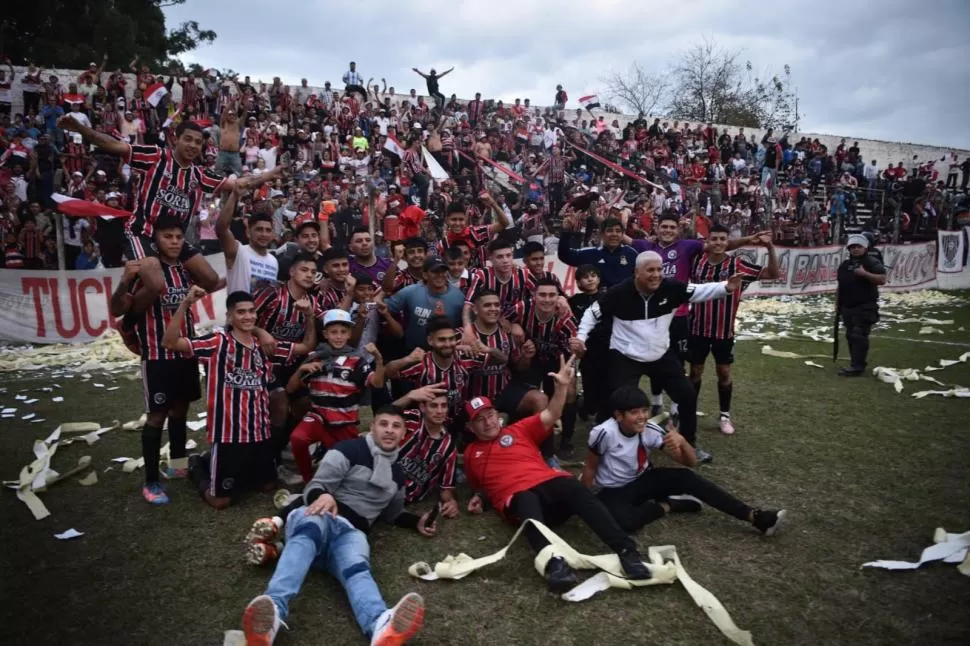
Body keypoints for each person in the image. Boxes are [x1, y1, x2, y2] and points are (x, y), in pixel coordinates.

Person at [240, 407, 435, 646]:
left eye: (396, 426)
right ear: (372, 427)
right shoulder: (348, 450)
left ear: (404, 433)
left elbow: (392, 514)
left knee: (357, 568)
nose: (389, 430)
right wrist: (324, 495)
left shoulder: (397, 474)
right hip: (324, 515)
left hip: (353, 532)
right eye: (383, 424)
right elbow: (315, 486)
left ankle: (380, 627)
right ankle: (271, 616)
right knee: (308, 533)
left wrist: (416, 521)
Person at [463, 357, 652, 593]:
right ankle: (555, 565)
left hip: (548, 486)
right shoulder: (471, 454)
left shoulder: (518, 429)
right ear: (471, 428)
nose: (487, 422)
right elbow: (479, 484)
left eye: (490, 414)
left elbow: (551, 414)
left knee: (572, 486)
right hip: (521, 503)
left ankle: (627, 552)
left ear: (498, 415)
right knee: (525, 498)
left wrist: (562, 386)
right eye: (479, 420)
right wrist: (480, 497)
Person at [56, 115, 279, 313]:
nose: (193, 145)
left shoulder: (199, 175)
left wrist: (272, 173)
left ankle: (178, 302)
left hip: (175, 239)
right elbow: (116, 146)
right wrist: (82, 130)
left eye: (198, 142)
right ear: (176, 139)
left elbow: (239, 183)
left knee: (211, 279)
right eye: (188, 139)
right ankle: (132, 320)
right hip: (144, 232)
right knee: (155, 284)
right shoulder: (156, 157)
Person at [571, 251, 744, 464]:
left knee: (687, 395)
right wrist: (580, 337)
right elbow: (592, 313)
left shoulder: (670, 288)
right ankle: (610, 444)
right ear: (636, 272)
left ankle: (689, 442)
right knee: (616, 401)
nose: (656, 275)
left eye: (659, 270)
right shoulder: (618, 292)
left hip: (660, 354)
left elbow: (697, 291)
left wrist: (726, 287)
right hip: (626, 355)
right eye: (650, 270)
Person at [162, 289, 314, 509]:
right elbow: (170, 342)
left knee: (268, 486)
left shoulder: (265, 346)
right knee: (221, 501)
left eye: (252, 311)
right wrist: (186, 304)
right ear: (230, 316)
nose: (248, 316)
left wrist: (309, 316)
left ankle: (223, 463)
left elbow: (307, 347)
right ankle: (197, 464)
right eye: (241, 312)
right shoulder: (217, 343)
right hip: (228, 434)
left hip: (260, 432)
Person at [582, 386, 787, 535]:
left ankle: (754, 516)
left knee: (687, 477)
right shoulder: (603, 433)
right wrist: (585, 502)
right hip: (613, 489)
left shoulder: (651, 431)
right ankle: (668, 505)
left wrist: (682, 442)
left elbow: (690, 463)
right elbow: (590, 467)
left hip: (642, 480)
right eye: (634, 412)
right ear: (618, 415)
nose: (642, 417)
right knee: (623, 523)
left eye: (644, 410)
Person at [625, 213, 768, 418]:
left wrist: (747, 240)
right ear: (657, 228)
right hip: (653, 315)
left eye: (672, 227)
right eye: (664, 226)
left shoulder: (687, 247)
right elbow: (621, 237)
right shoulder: (646, 246)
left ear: (678, 230)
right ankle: (656, 402)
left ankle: (676, 405)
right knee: (653, 358)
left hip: (680, 315)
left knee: (678, 362)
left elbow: (719, 245)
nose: (667, 230)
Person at [109, 215, 201, 505]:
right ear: (156, 240)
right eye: (167, 237)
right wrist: (124, 282)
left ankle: (177, 466)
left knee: (180, 410)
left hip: (185, 352)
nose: (174, 242)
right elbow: (117, 309)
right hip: (158, 356)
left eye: (178, 237)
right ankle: (151, 481)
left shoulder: (187, 270)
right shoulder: (147, 272)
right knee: (157, 416)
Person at [688, 224, 780, 434]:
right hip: (697, 328)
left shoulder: (738, 265)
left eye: (722, 239)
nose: (718, 243)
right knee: (694, 372)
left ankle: (724, 416)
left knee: (724, 372)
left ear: (727, 242)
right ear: (708, 242)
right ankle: (688, 411)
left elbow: (773, 274)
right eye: (714, 239)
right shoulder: (697, 262)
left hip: (724, 331)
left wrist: (770, 248)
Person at [287, 310, 385, 483]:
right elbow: (291, 387)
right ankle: (308, 479)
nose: (338, 336)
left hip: (344, 423)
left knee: (354, 473)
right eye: (333, 332)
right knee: (298, 438)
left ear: (349, 334)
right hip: (318, 418)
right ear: (325, 334)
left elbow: (376, 384)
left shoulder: (356, 360)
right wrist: (301, 370)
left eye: (343, 332)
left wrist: (378, 359)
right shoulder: (314, 357)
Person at [253, 252, 323, 474]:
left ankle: (280, 450)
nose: (309, 275)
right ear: (291, 271)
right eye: (304, 270)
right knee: (280, 403)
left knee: (304, 404)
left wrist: (311, 317)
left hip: (294, 361)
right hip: (263, 362)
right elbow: (240, 318)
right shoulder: (272, 294)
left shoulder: (312, 301)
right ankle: (266, 461)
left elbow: (310, 343)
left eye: (313, 272)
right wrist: (260, 331)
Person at [508, 278, 578, 463]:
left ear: (559, 297)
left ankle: (564, 441)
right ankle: (520, 436)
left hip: (558, 359)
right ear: (534, 296)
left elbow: (575, 352)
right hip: (532, 358)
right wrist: (514, 327)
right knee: (529, 397)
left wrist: (579, 352)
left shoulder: (566, 317)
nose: (547, 299)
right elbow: (502, 318)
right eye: (542, 295)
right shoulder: (523, 308)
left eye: (552, 295)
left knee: (568, 392)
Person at [385, 316, 488, 430]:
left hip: (459, 422)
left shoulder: (465, 358)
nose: (448, 344)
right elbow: (388, 372)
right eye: (442, 340)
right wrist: (406, 360)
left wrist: (486, 349)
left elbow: (501, 359)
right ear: (430, 341)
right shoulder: (422, 363)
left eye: (451, 339)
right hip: (427, 424)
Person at [466, 289, 547, 419]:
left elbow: (519, 367)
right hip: (474, 395)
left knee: (540, 399)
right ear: (475, 310)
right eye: (487, 305)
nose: (493, 309)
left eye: (497, 305)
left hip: (504, 391)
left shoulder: (508, 333)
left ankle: (535, 439)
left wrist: (526, 357)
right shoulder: (465, 335)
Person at [392, 383, 460, 514]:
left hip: (403, 497)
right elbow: (384, 414)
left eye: (444, 406)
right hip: (383, 479)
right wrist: (409, 396)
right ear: (423, 407)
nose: (440, 411)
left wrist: (450, 502)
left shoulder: (448, 446)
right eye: (434, 406)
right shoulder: (412, 419)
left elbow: (446, 487)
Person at [383, 257, 466, 352]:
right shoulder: (410, 292)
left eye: (443, 271)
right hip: (414, 352)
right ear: (425, 275)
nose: (439, 275)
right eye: (435, 272)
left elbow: (465, 325)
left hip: (446, 351)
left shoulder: (458, 296)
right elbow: (385, 308)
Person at [836, 234, 887, 377]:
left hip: (865, 306)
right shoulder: (845, 265)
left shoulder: (871, 262)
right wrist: (837, 304)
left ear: (865, 248)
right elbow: (841, 286)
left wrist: (864, 274)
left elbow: (882, 279)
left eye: (858, 247)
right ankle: (855, 362)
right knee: (850, 335)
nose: (855, 250)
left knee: (859, 335)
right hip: (848, 306)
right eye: (853, 247)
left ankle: (857, 366)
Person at [219, 186, 280, 294]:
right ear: (248, 232)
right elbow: (221, 229)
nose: (264, 234)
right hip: (239, 310)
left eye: (268, 230)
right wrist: (234, 195)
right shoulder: (238, 252)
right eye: (259, 229)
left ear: (272, 234)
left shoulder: (274, 261)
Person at [568, 264, 607, 422]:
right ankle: (589, 410)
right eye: (585, 277)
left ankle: (606, 413)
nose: (590, 279)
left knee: (607, 383)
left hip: (607, 349)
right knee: (590, 383)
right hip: (586, 351)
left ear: (599, 278)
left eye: (593, 275)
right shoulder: (574, 301)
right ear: (578, 282)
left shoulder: (608, 298)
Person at [557, 215, 637, 288]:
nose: (614, 234)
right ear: (601, 234)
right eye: (609, 230)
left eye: (618, 231)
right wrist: (566, 232)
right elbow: (565, 255)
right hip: (598, 302)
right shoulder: (591, 253)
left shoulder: (631, 253)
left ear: (623, 234)